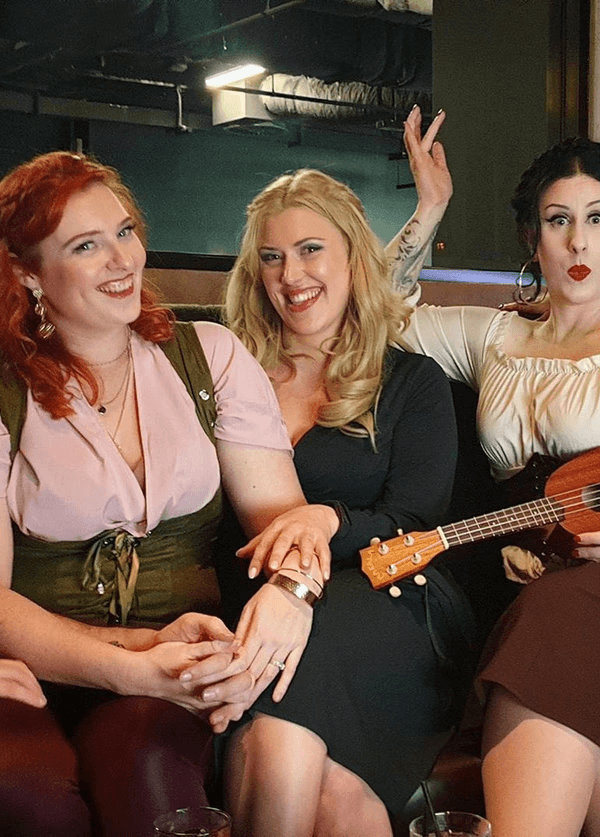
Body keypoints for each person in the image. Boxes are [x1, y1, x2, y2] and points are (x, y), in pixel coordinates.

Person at [0, 150, 336, 837]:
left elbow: (287, 523)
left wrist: (290, 596)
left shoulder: (208, 356)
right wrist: (132, 665)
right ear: (28, 272)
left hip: (184, 666)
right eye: (86, 245)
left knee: (146, 769)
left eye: (125, 231)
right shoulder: (5, 391)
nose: (123, 259)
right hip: (36, 670)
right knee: (31, 797)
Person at [397, 120, 600, 837]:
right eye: (558, 221)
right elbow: (372, 316)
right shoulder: (493, 335)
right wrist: (427, 209)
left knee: (556, 615)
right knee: (551, 623)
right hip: (525, 593)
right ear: (533, 238)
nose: (578, 243)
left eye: (596, 219)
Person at [188, 166, 476, 837]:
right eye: (272, 256)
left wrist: (326, 518)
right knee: (335, 804)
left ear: (353, 256)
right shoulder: (225, 373)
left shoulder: (410, 380)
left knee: (287, 672)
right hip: (258, 606)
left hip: (394, 601)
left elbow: (415, 520)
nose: (291, 275)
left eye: (311, 248)